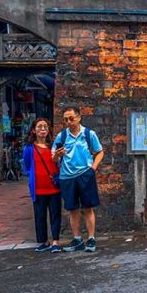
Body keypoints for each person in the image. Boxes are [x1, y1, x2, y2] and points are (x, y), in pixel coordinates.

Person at [52, 106, 104, 252]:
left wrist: (93, 168)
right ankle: (77, 239)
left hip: (85, 175)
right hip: (67, 177)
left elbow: (99, 152)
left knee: (88, 207)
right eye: (65, 119)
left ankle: (91, 238)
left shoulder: (89, 134)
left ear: (79, 117)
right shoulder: (61, 136)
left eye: (71, 118)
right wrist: (57, 155)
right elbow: (53, 157)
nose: (68, 122)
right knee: (72, 209)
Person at [21, 118, 62, 252]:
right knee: (40, 215)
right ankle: (43, 241)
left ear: (49, 129)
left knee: (55, 214)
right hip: (38, 188)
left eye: (45, 126)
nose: (42, 129)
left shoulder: (53, 146)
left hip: (54, 186)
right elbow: (26, 166)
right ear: (34, 130)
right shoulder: (29, 148)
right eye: (39, 127)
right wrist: (33, 175)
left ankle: (55, 241)